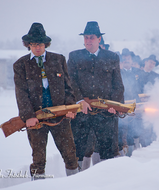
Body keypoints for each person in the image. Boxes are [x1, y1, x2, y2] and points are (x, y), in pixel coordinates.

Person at [13, 23, 79, 179]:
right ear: (28, 45)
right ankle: (37, 185)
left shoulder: (58, 59)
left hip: (60, 115)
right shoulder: (20, 65)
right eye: (34, 44)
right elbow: (21, 93)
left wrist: (70, 108)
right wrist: (28, 115)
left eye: (40, 44)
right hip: (36, 117)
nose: (37, 48)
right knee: (38, 159)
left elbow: (68, 87)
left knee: (70, 155)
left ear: (45, 44)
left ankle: (76, 184)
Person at [67, 21, 124, 171]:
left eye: (91, 37)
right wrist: (80, 100)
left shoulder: (112, 57)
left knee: (108, 150)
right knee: (77, 150)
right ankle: (75, 183)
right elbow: (70, 81)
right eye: (86, 37)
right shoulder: (74, 56)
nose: (88, 40)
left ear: (99, 39)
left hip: (106, 114)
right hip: (81, 112)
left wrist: (114, 106)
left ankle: (106, 181)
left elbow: (117, 84)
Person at [118, 49, 143, 156]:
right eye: (123, 60)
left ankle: (131, 155)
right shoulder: (117, 73)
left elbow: (136, 90)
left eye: (127, 59)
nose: (125, 62)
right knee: (120, 131)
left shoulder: (133, 74)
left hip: (131, 105)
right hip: (120, 105)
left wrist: (138, 103)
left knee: (131, 131)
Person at [138, 54, 159, 147]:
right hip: (139, 104)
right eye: (150, 62)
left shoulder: (157, 77)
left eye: (154, 63)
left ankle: (150, 145)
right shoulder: (137, 74)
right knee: (139, 127)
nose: (152, 64)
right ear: (145, 62)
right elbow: (134, 88)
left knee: (150, 126)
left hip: (152, 104)